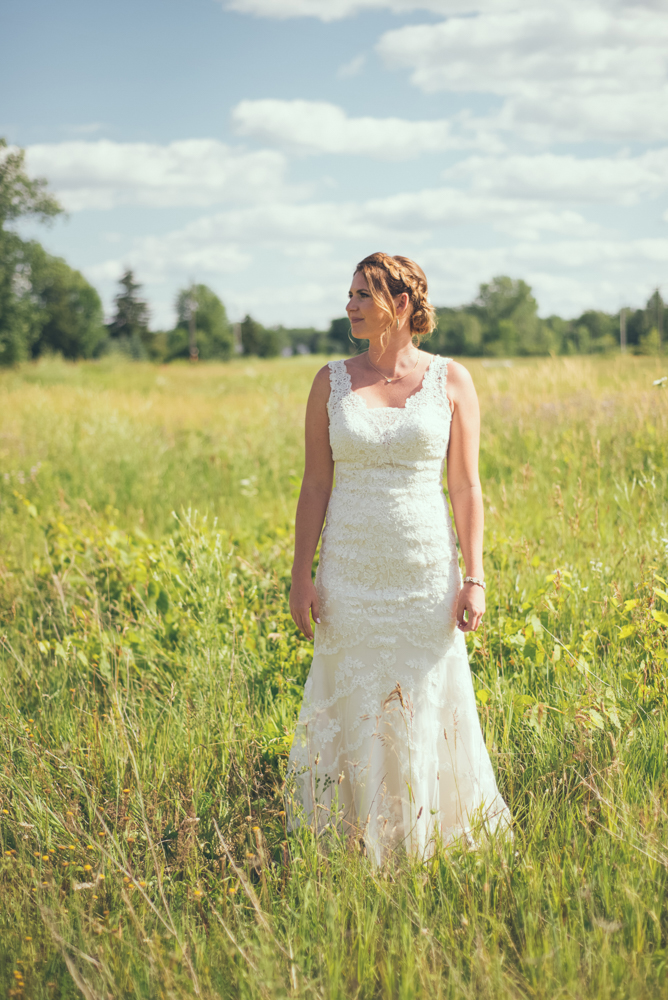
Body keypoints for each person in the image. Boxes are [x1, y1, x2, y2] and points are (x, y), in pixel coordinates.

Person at [287, 252, 510, 863]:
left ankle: (430, 839)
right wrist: (301, 575)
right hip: (349, 576)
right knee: (352, 696)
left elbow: (467, 487)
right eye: (350, 293)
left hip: (424, 576)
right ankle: (347, 844)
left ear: (402, 304)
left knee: (426, 697)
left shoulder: (451, 379)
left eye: (364, 293)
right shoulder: (329, 380)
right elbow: (314, 485)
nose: (351, 304)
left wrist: (475, 577)